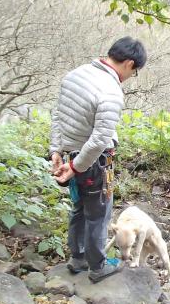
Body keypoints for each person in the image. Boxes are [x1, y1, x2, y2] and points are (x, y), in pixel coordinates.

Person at [49, 37, 146, 282]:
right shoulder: (111, 91)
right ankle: (97, 267)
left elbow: (58, 116)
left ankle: (78, 258)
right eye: (134, 72)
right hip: (94, 162)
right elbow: (100, 139)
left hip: (71, 154)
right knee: (98, 213)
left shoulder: (75, 75)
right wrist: (76, 167)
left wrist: (56, 151)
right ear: (129, 63)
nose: (130, 76)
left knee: (79, 208)